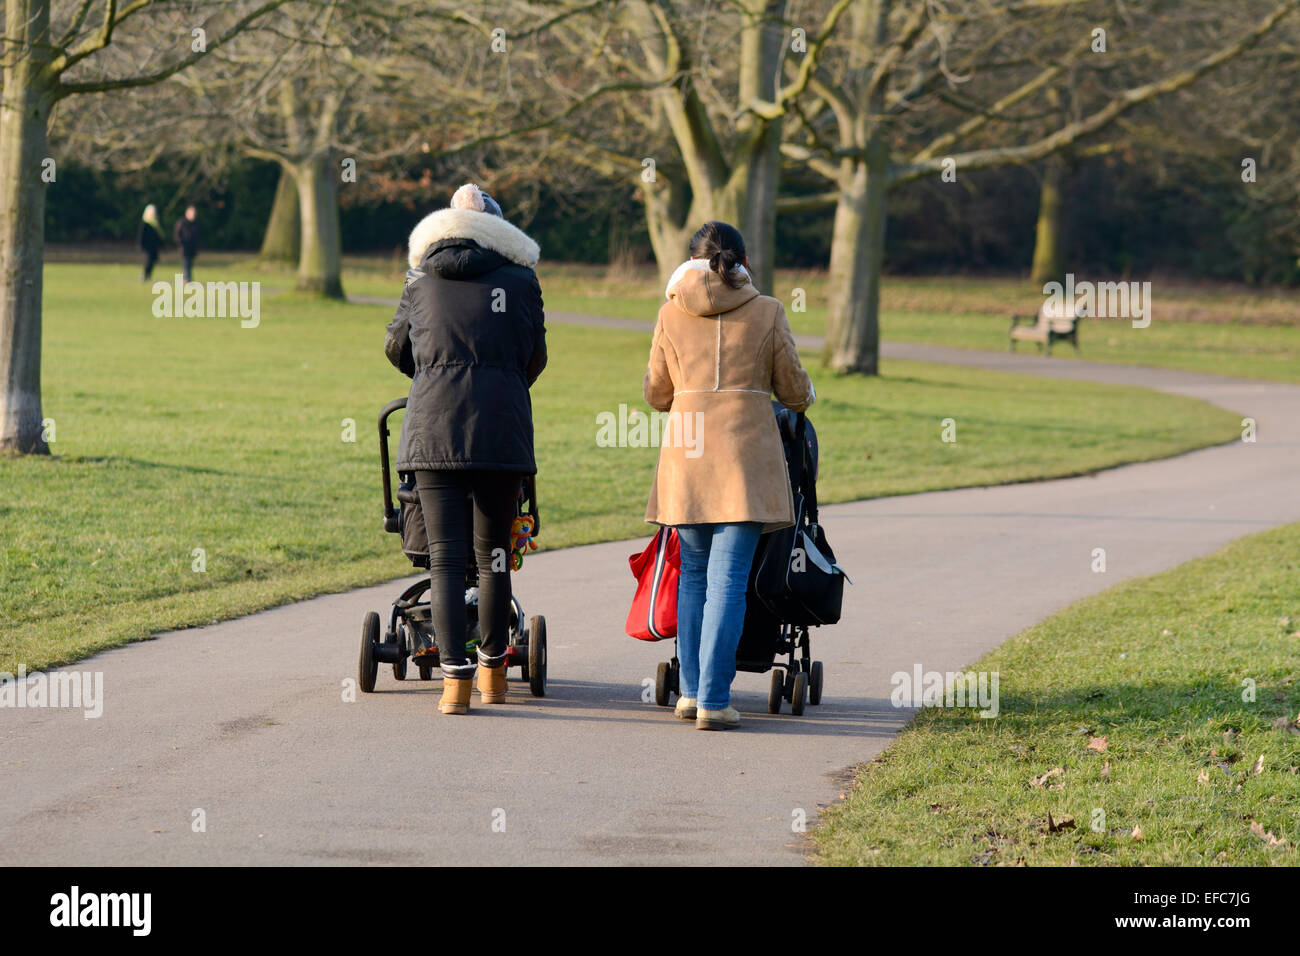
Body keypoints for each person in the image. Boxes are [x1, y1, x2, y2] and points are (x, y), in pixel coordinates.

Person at [644, 221, 815, 731]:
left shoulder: (670, 311)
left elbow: (656, 394)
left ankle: (693, 694)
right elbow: (794, 392)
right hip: (744, 461)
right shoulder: (768, 311)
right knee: (727, 582)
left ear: (694, 259)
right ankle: (716, 699)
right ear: (741, 260)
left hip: (687, 459)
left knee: (694, 576)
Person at [384, 183, 547, 715]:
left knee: (447, 561)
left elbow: (396, 348)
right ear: (498, 230)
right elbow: (535, 358)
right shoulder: (522, 281)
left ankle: (453, 686)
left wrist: (433, 372)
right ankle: (493, 674)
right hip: (500, 432)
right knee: (494, 555)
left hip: (433, 430)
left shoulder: (420, 280)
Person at [173, 206, 200, 283]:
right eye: (192, 214)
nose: (193, 215)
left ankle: (188, 278)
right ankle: (187, 279)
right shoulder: (182, 222)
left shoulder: (196, 223)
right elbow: (177, 234)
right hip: (184, 247)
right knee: (186, 263)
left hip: (192, 248)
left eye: (194, 214)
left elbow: (198, 235)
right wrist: (181, 243)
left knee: (190, 264)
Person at [138, 205, 163, 281]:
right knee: (148, 261)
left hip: (154, 246)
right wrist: (141, 245)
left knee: (153, 261)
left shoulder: (156, 223)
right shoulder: (145, 223)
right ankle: (144, 275)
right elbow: (141, 235)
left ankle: (148, 275)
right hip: (147, 246)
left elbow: (158, 235)